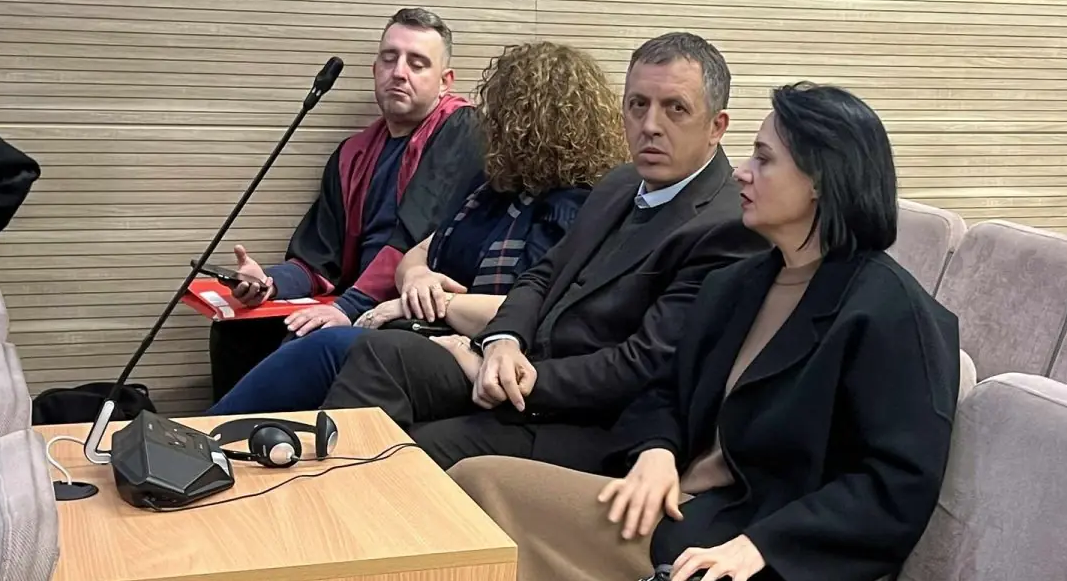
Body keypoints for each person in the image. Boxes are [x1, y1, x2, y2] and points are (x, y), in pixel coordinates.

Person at [446, 83, 962, 581]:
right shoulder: (743, 280)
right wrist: (657, 451)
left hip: (747, 546)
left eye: (764, 158)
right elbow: (663, 390)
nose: (743, 173)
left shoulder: (895, 314)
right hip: (677, 506)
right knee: (488, 514)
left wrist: (763, 547)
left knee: (482, 494)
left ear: (822, 181)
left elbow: (896, 484)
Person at [320, 32, 766, 471]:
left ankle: (348, 500)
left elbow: (643, 365)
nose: (650, 125)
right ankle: (327, 501)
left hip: (597, 423)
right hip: (523, 365)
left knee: (412, 451)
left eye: (675, 108)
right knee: (380, 354)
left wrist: (504, 373)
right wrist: (503, 341)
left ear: (716, 127)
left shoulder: (725, 226)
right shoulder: (622, 182)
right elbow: (541, 276)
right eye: (637, 104)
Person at [205, 41, 630, 415]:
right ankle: (216, 445)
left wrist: (427, 304)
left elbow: (538, 313)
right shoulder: (493, 191)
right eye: (389, 58)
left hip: (484, 352)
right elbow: (417, 251)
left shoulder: (576, 208)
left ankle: (206, 443)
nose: (489, 126)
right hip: (434, 327)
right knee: (250, 334)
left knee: (329, 348)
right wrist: (417, 277)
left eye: (501, 114)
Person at [207, 8, 481, 397]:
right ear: (375, 70)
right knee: (239, 330)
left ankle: (224, 429)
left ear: (445, 81)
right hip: (355, 299)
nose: (399, 72)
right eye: (389, 58)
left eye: (417, 63)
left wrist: (345, 309)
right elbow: (320, 258)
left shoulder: (461, 131)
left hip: (419, 307)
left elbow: (415, 239)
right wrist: (269, 283)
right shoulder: (353, 153)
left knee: (307, 341)